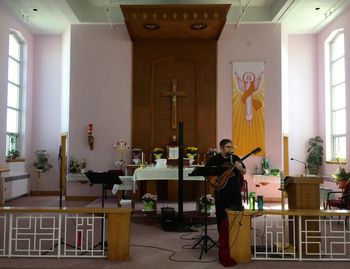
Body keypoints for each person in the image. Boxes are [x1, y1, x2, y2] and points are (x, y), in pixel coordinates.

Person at [206, 139, 246, 266]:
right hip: (221, 193)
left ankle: (237, 243)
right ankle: (223, 244)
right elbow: (207, 173)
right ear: (222, 148)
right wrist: (217, 177)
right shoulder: (215, 159)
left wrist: (240, 169)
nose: (231, 149)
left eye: (232, 147)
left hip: (235, 192)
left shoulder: (235, 158)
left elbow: (244, 171)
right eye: (228, 147)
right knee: (222, 218)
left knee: (237, 216)